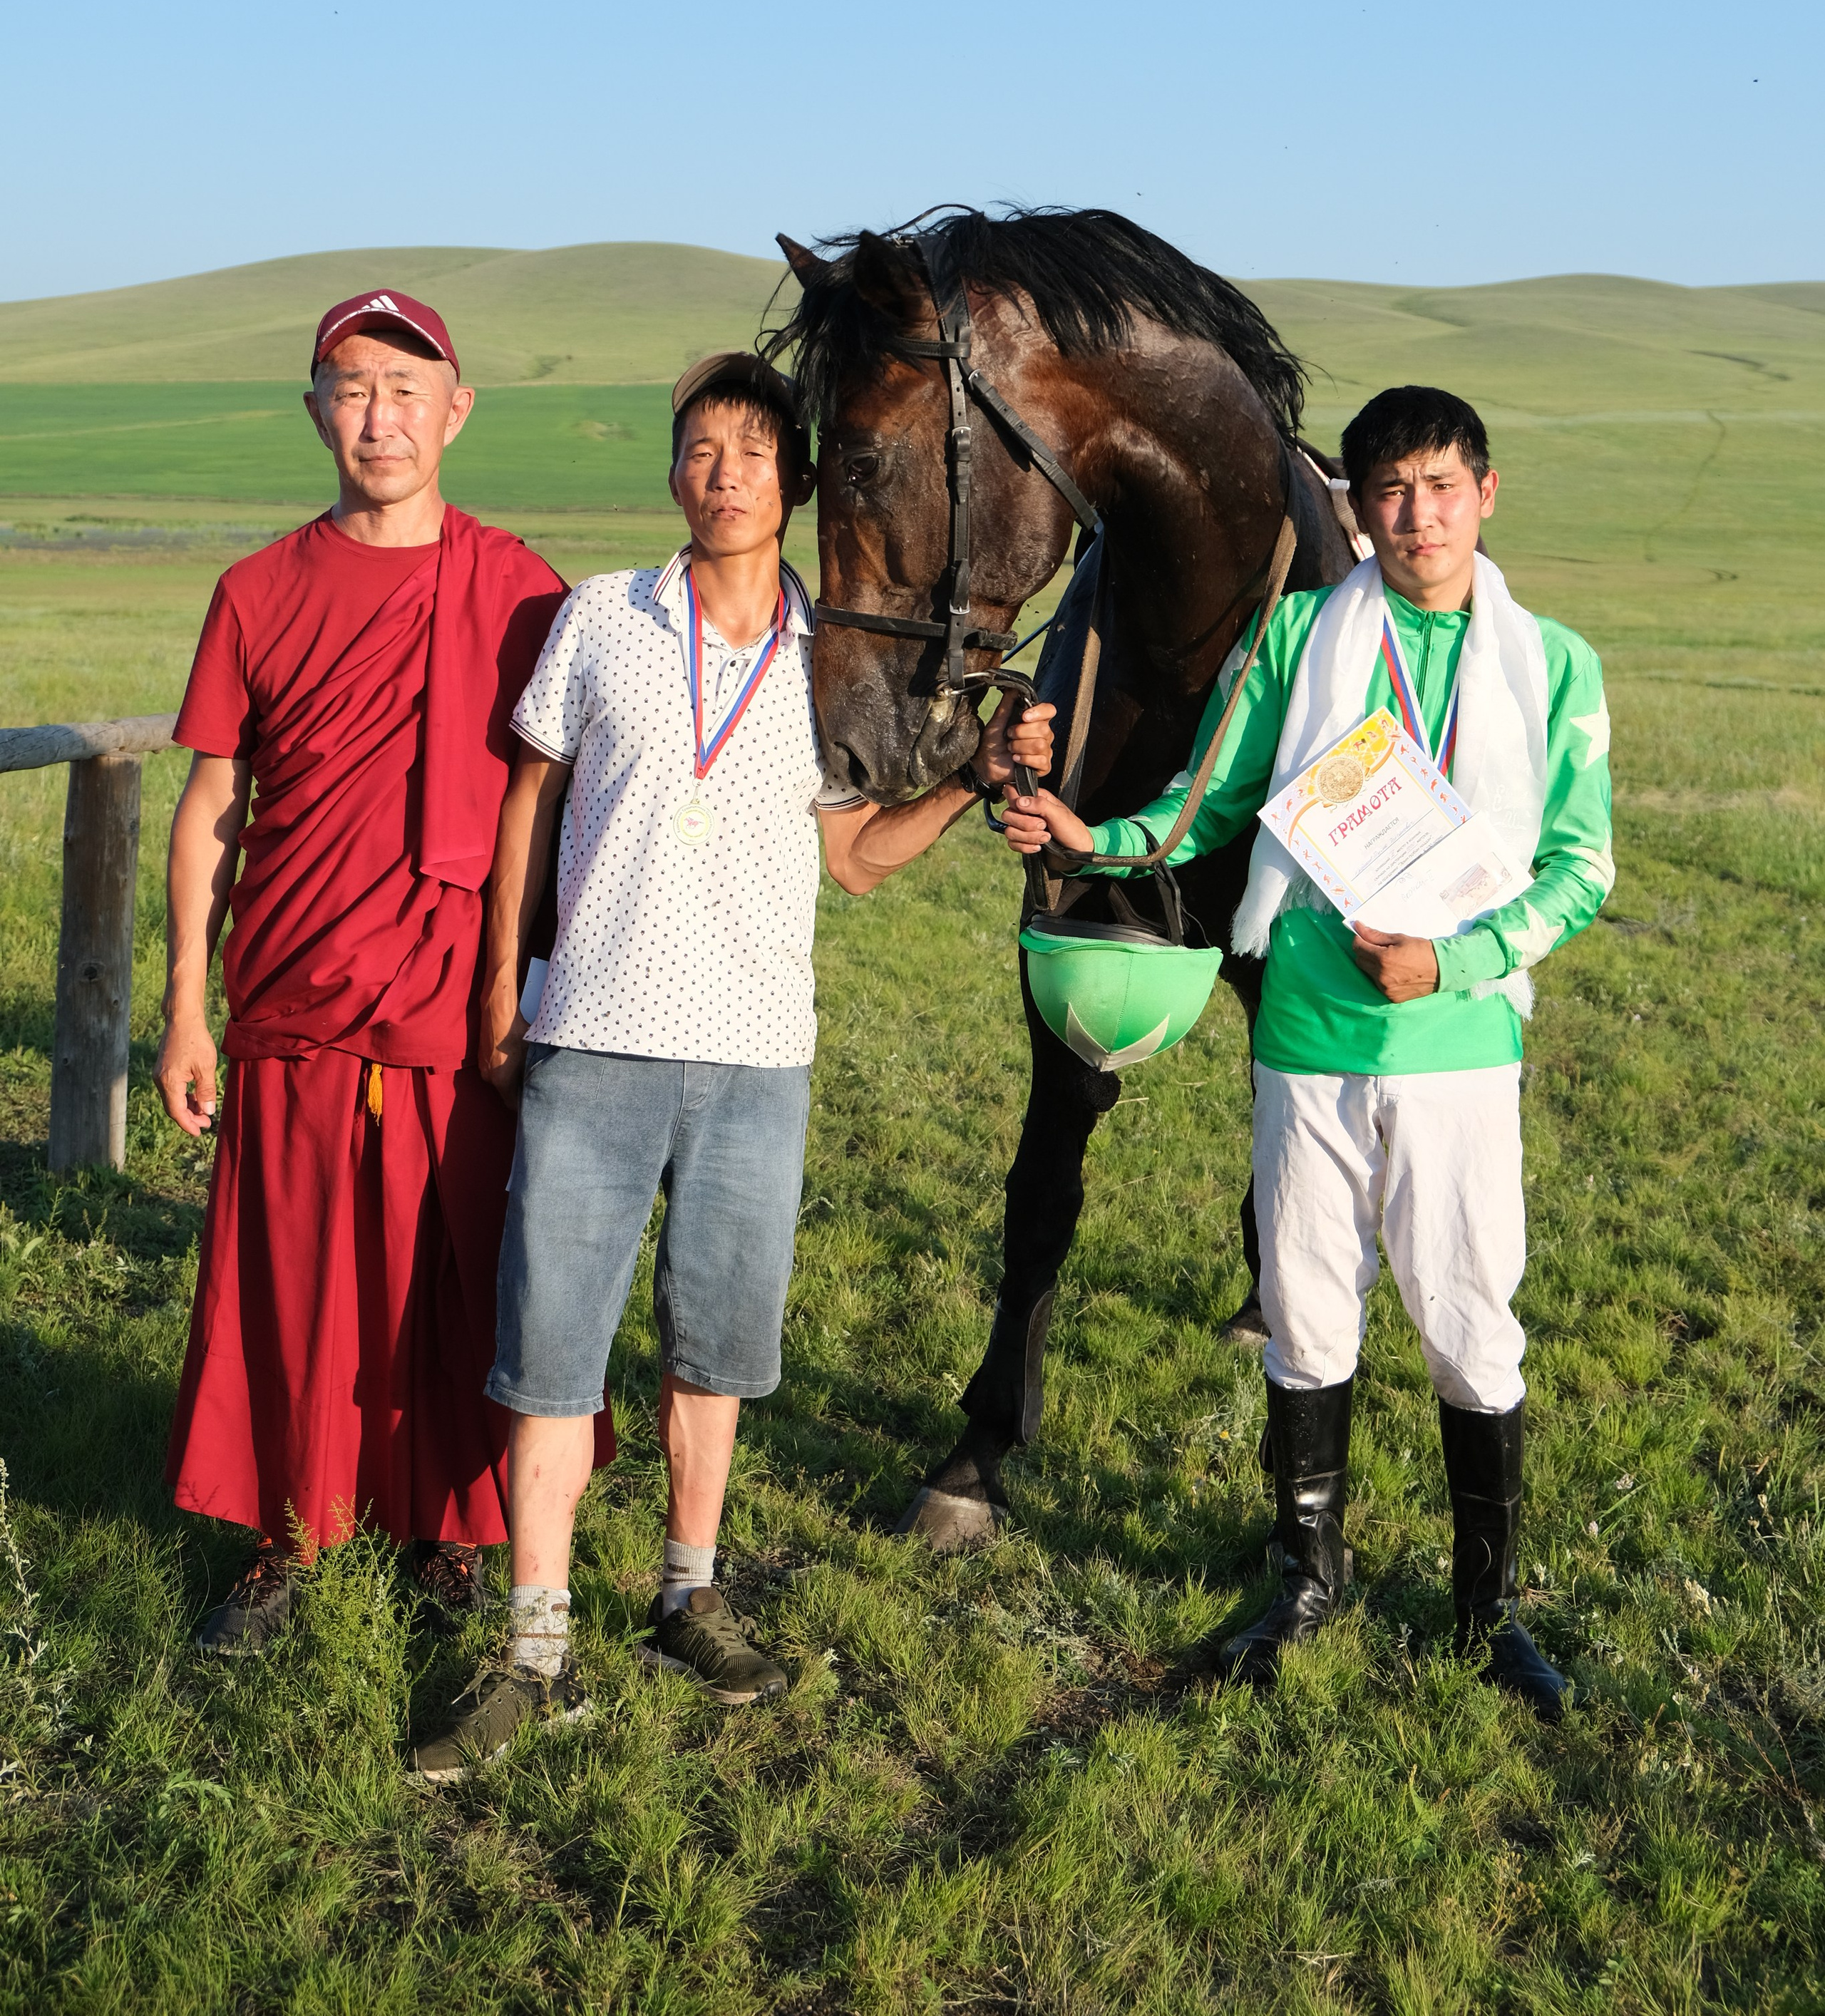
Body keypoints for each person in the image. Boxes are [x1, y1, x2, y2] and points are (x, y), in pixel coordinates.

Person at [411, 351, 1053, 1775]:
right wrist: (500, 991)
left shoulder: (830, 655)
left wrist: (965, 783)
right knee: (550, 1353)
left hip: (757, 1055)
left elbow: (855, 862)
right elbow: (529, 799)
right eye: (698, 450)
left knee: (713, 1353)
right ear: (672, 473)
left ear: (797, 483)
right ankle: (531, 1645)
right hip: (589, 1035)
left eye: (749, 455)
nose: (720, 475)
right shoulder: (598, 618)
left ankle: (688, 1598)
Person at [1000, 385, 1612, 1720]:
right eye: (1389, 491)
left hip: (1457, 1045)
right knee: (1307, 1306)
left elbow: (1580, 866)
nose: (1416, 516)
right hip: (1307, 1038)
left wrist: (1451, 960)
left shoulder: (1553, 665)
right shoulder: (1297, 640)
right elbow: (1208, 794)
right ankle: (1306, 1578)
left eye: (1442, 486)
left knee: (1467, 1316)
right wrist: (1090, 839)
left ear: (1486, 493)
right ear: (1359, 505)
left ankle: (1486, 1606)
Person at [155, 288, 611, 1651]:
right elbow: (212, 803)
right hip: (294, 987)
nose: (381, 417)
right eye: (353, 389)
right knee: (294, 1270)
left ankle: (448, 1530)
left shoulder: (521, 591)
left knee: (448, 1264)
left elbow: (589, 784)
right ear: (315, 412)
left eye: (408, 391)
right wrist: (185, 1002)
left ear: (456, 412)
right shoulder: (258, 591)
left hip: (455, 998)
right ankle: (287, 1532)